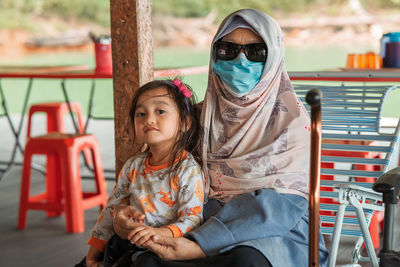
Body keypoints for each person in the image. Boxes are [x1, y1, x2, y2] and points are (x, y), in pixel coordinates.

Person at [111, 8, 329, 267]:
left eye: (256, 52)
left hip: (273, 231)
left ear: (274, 58)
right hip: (192, 223)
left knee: (245, 261)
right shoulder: (194, 120)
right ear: (214, 55)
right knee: (145, 260)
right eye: (228, 50)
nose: (240, 61)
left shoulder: (292, 124)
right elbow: (157, 172)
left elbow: (283, 205)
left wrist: (200, 245)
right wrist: (123, 213)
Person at [80, 78, 205, 267]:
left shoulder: (188, 169)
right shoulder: (133, 166)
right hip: (126, 242)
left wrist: (158, 234)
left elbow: (192, 218)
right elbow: (111, 208)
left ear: (185, 122)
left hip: (164, 249)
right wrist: (94, 250)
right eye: (140, 114)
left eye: (160, 111)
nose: (149, 119)